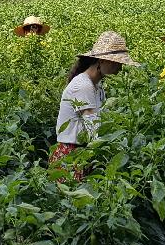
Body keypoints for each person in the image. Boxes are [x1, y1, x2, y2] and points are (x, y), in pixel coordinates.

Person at [51, 31, 140, 180]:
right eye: (116, 62)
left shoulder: (96, 86)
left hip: (81, 153)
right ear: (101, 61)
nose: (120, 68)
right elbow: (93, 130)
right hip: (72, 157)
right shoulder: (84, 86)